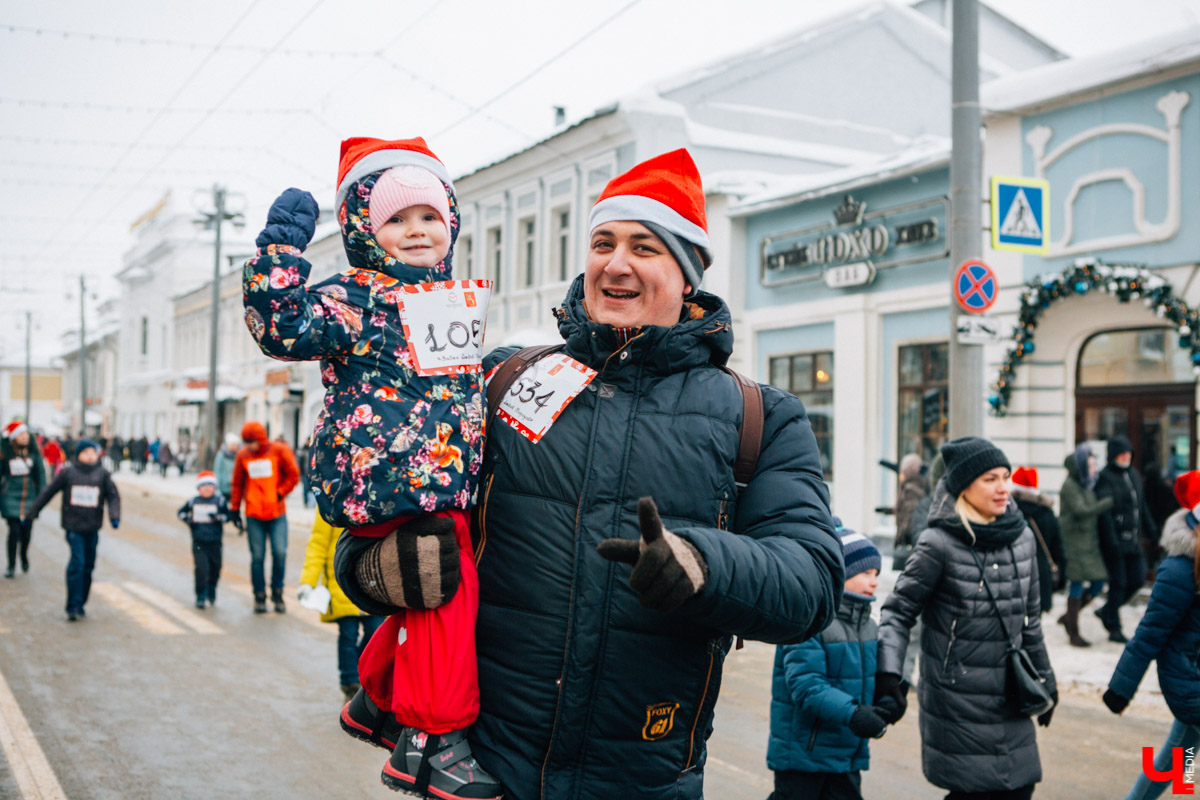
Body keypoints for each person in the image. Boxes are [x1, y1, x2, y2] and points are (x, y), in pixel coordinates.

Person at [334, 148, 843, 800]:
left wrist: (704, 566)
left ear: (688, 277)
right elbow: (379, 514)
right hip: (486, 774)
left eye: (645, 246)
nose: (617, 262)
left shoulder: (757, 417)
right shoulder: (500, 379)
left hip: (643, 779)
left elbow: (812, 583)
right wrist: (380, 569)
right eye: (603, 242)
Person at [244, 136, 495, 798]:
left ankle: (377, 697)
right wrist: (280, 254)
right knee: (446, 597)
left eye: (429, 216)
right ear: (364, 228)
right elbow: (283, 327)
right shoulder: (358, 292)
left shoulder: (451, 297)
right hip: (388, 475)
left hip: (442, 479)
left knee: (433, 602)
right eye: (396, 219)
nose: (416, 231)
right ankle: (433, 741)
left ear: (451, 224)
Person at [877, 436, 1056, 800]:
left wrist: (1046, 679)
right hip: (958, 699)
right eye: (990, 479)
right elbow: (898, 611)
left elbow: (1030, 623)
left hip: (1011, 692)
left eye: (1005, 476)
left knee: (1020, 787)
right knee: (977, 792)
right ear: (963, 487)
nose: (1003, 487)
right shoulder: (938, 543)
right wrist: (890, 675)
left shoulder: (1021, 537)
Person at [766, 529, 895, 800]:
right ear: (841, 573)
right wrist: (853, 714)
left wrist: (888, 699)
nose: (873, 582)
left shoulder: (868, 626)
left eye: (876, 574)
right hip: (804, 755)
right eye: (865, 573)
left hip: (846, 754)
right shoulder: (811, 620)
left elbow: (868, 679)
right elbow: (806, 686)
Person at [1103, 470, 1200, 800]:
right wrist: (1120, 689)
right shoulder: (1179, 571)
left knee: (1177, 758)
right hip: (1190, 681)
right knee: (1179, 755)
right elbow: (1149, 635)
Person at [27, 439, 120, 621]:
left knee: (88, 566)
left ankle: (81, 602)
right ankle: (73, 605)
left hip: (92, 527)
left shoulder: (102, 474)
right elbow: (48, 492)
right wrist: (33, 512)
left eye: (93, 452)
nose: (90, 456)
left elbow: (113, 496)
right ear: (78, 454)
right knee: (77, 562)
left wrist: (114, 516)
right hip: (73, 527)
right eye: (86, 452)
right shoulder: (68, 473)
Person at [299, 514, 384, 702]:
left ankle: (362, 674)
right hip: (342, 584)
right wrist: (308, 581)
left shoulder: (376, 497)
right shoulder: (331, 500)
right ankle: (350, 684)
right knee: (348, 634)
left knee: (376, 633)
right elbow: (318, 544)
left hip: (373, 582)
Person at [228, 421, 299, 614]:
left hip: (277, 513)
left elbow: (294, 475)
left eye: (251, 441)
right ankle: (259, 596)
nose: (248, 445)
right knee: (257, 557)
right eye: (245, 442)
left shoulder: (279, 451)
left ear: (260, 439)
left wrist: (280, 492)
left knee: (280, 553)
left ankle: (277, 592)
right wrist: (234, 509)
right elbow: (237, 483)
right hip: (254, 514)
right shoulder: (243, 455)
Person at [1096, 436, 1159, 643]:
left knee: (1137, 579)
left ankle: (1107, 611)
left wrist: (1153, 531)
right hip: (1115, 541)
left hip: (1134, 540)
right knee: (1119, 582)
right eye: (1122, 454)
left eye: (1129, 454)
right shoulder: (1105, 477)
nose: (1126, 457)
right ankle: (1113, 626)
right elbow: (1104, 513)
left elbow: (1141, 507)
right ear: (1113, 455)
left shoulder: (1133, 474)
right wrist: (1111, 541)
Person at [1057, 444, 1113, 647]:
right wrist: (1106, 503)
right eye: (1089, 464)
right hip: (1074, 543)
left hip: (1088, 543)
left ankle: (1068, 617)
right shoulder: (1070, 485)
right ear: (1080, 466)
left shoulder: (1085, 483)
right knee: (1077, 584)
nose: (1094, 468)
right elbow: (1081, 510)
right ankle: (1074, 633)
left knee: (1098, 583)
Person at [1010, 466, 1066, 616]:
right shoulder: (1047, 512)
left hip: (1013, 575)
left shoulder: (1009, 512)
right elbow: (1058, 548)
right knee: (1035, 621)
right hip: (1041, 576)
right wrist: (1062, 577)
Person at [177, 470, 232, 608]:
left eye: (210, 485)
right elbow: (180, 513)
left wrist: (218, 518)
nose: (207, 488)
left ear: (215, 487)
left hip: (215, 542)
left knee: (215, 568)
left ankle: (211, 589)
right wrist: (190, 521)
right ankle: (200, 596)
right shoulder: (193, 501)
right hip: (199, 542)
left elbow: (228, 516)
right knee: (202, 569)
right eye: (204, 486)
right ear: (198, 488)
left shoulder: (219, 501)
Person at [1, 421, 46, 577]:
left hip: (30, 500)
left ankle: (24, 556)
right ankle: (11, 565)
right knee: (13, 532)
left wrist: (42, 495)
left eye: (26, 434)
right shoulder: (5, 453)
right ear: (14, 437)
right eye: (21, 434)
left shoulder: (34, 454)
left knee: (26, 533)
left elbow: (40, 475)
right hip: (10, 498)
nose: (24, 437)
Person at [213, 433, 240, 500]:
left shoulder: (239, 455)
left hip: (235, 487)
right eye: (233, 445)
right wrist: (217, 487)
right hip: (223, 487)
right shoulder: (221, 455)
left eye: (236, 445)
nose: (234, 447)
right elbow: (217, 471)